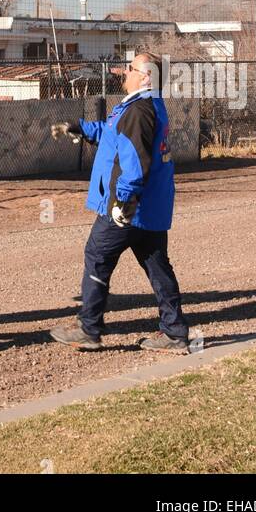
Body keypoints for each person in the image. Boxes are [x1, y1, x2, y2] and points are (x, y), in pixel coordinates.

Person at [49, 52, 190, 352]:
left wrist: (124, 201)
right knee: (157, 265)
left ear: (146, 76)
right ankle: (175, 332)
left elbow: (136, 163)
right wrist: (81, 127)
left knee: (97, 256)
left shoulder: (139, 111)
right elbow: (114, 133)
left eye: (130, 68)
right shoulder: (144, 106)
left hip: (128, 208)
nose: (124, 72)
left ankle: (89, 327)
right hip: (149, 208)